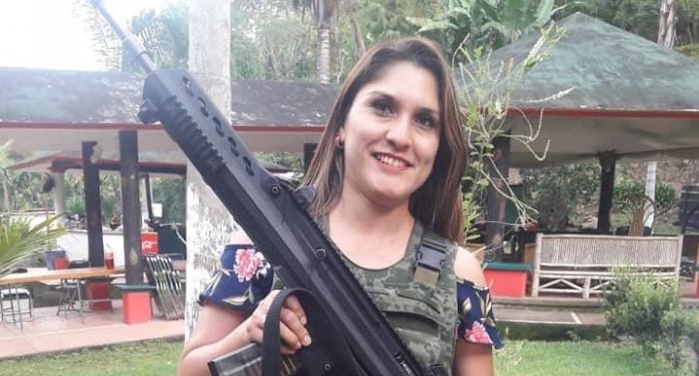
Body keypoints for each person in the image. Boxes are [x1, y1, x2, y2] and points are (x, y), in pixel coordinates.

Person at [177, 37, 502, 376]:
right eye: (383, 107)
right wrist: (249, 334)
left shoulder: (458, 273)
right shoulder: (264, 245)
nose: (401, 136)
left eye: (424, 120)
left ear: (437, 147)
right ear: (341, 127)